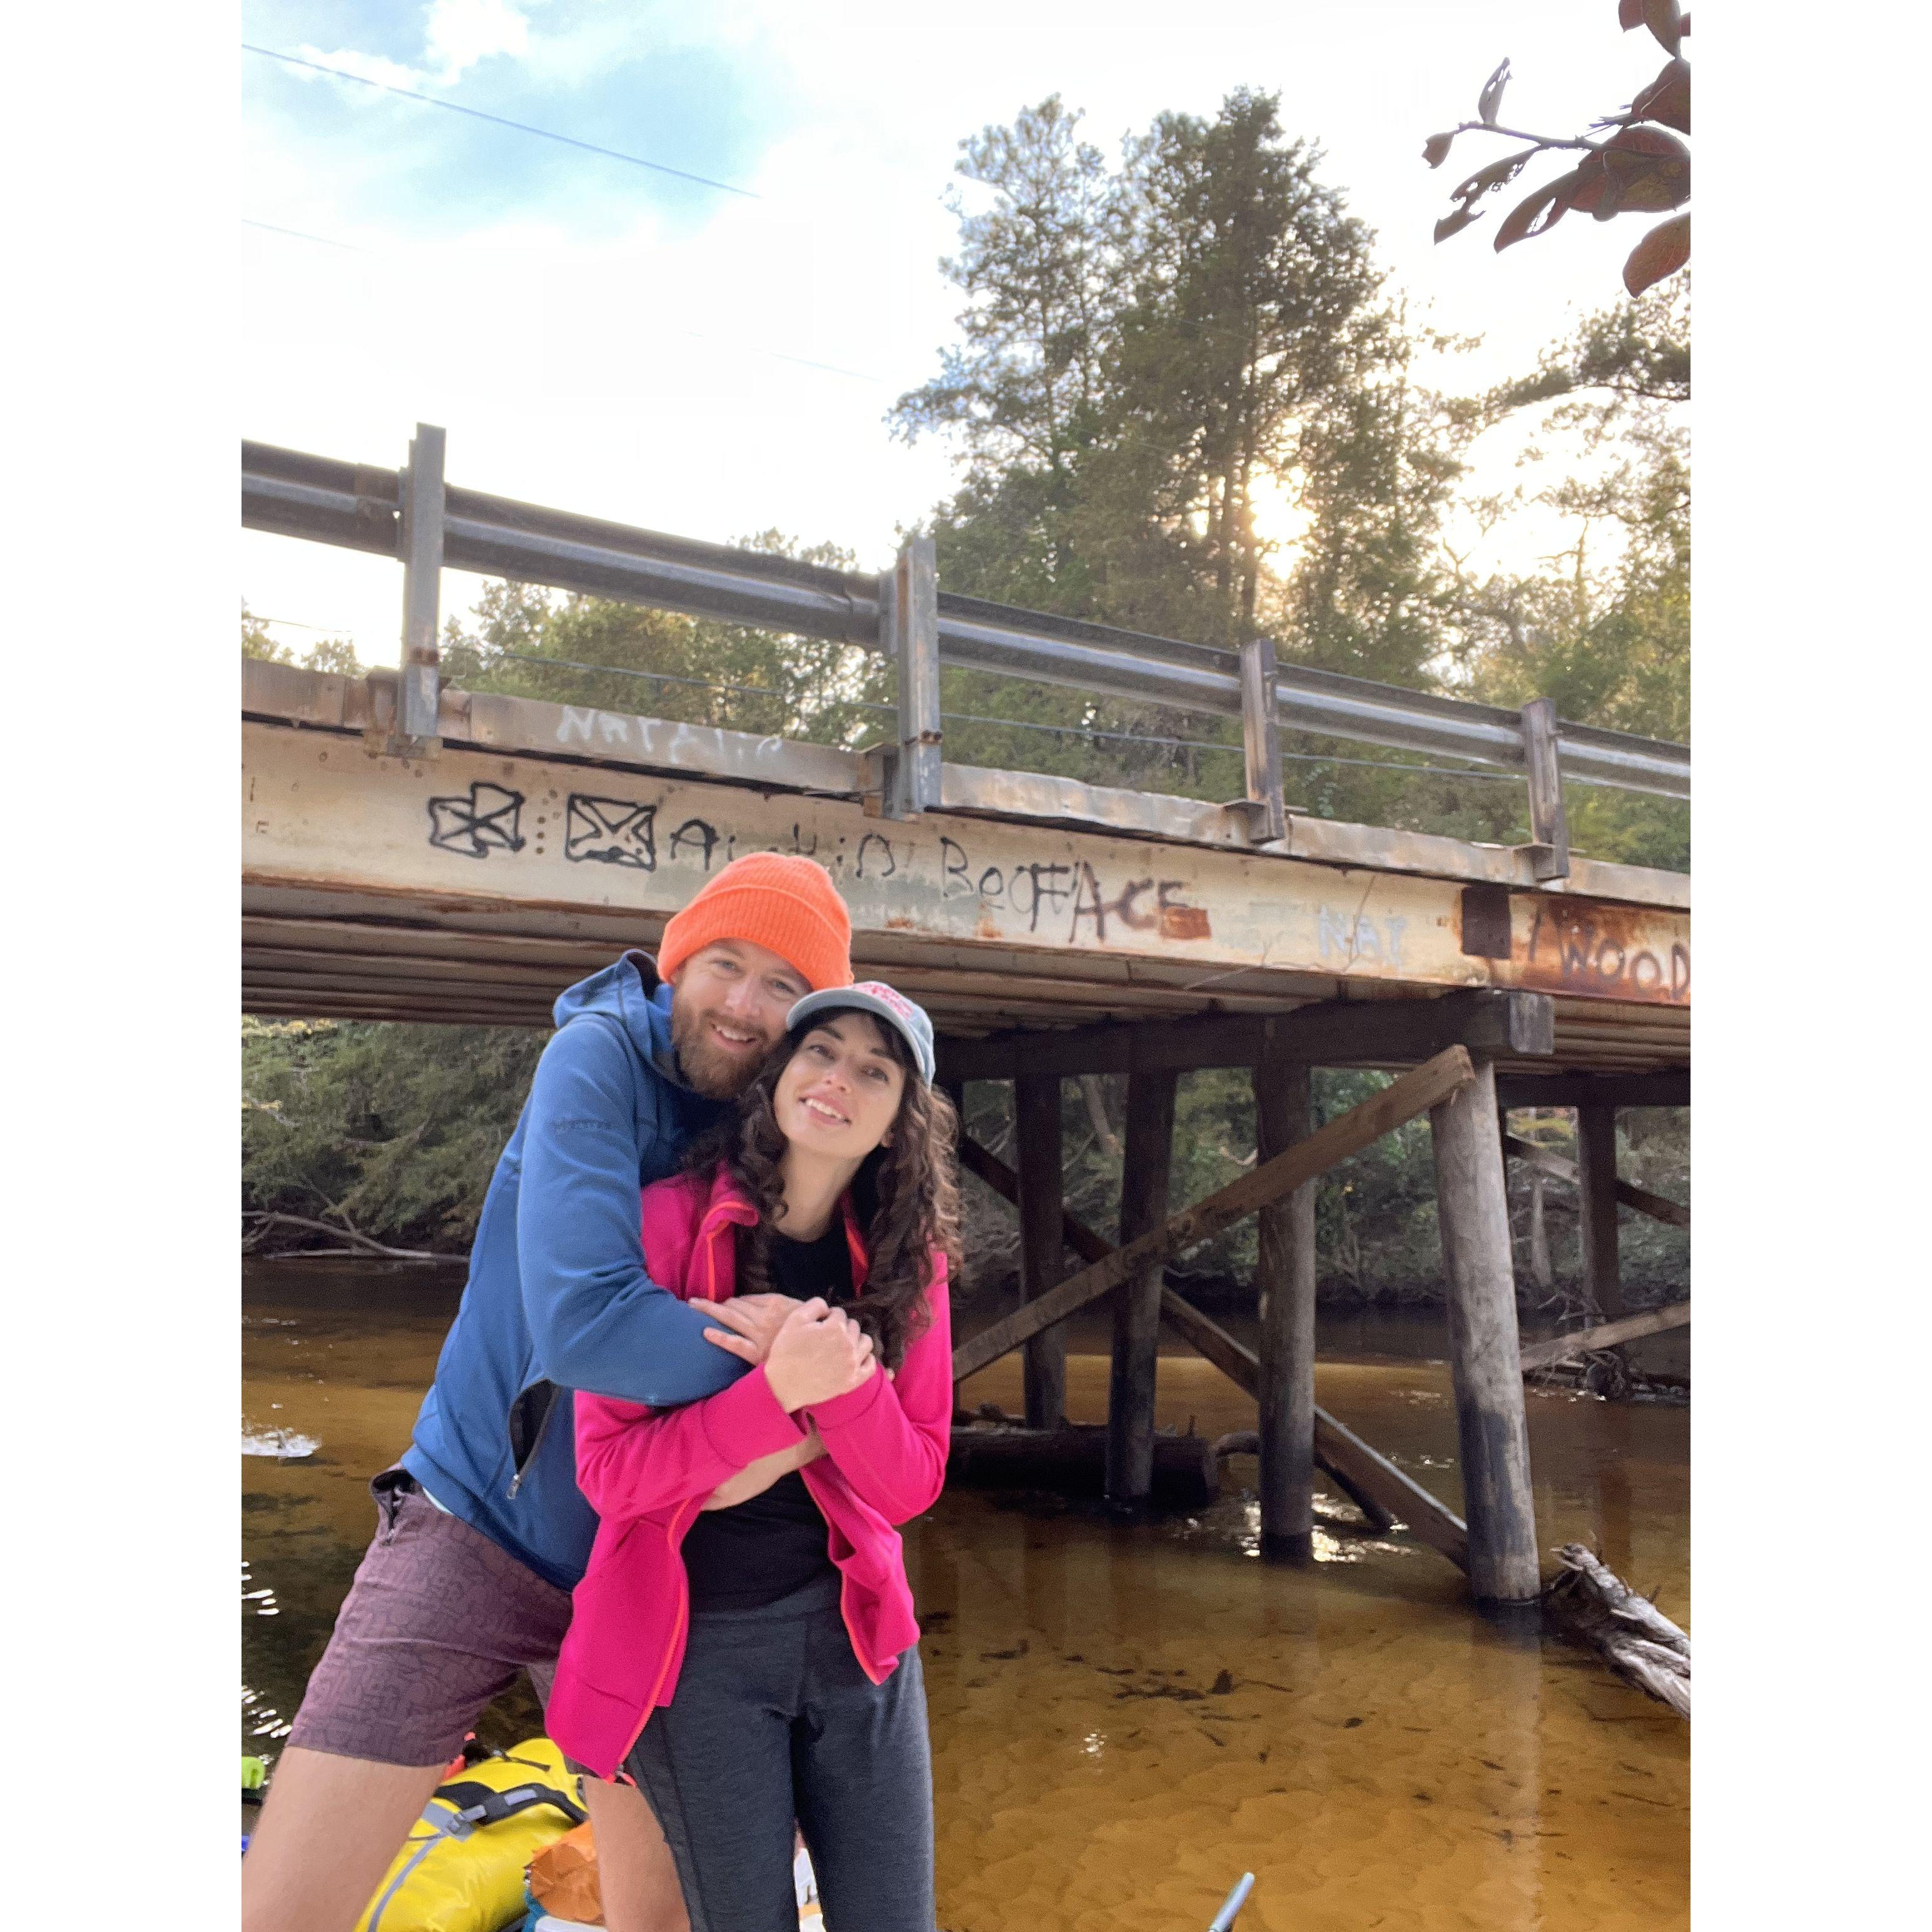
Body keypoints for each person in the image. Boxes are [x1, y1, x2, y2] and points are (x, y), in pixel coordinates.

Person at [241, 853, 856, 1932]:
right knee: (286, 1914)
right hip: (477, 1523)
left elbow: (885, 1343)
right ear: (676, 964)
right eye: (725, 964)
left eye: (783, 987)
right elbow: (587, 1329)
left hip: (650, 1562)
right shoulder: (595, 1056)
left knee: (658, 1921)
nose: (744, 1005)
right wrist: (792, 1377)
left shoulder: (798, 1116)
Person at [547, 982, 958, 1932]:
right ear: (778, 1071)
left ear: (898, 1123)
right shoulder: (664, 1224)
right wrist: (779, 1401)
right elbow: (611, 1476)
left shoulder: (911, 1261)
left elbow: (910, 1482)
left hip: (859, 1632)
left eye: (875, 1071)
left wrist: (833, 1383)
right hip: (700, 1650)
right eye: (822, 1051)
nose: (839, 1079)